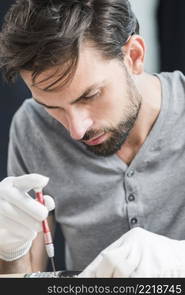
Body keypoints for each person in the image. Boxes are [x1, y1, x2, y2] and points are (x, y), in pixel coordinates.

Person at [0, 0, 185, 278]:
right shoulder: (33, 127)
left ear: (133, 56)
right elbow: (27, 284)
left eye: (90, 95)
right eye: (53, 107)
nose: (76, 130)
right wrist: (9, 251)